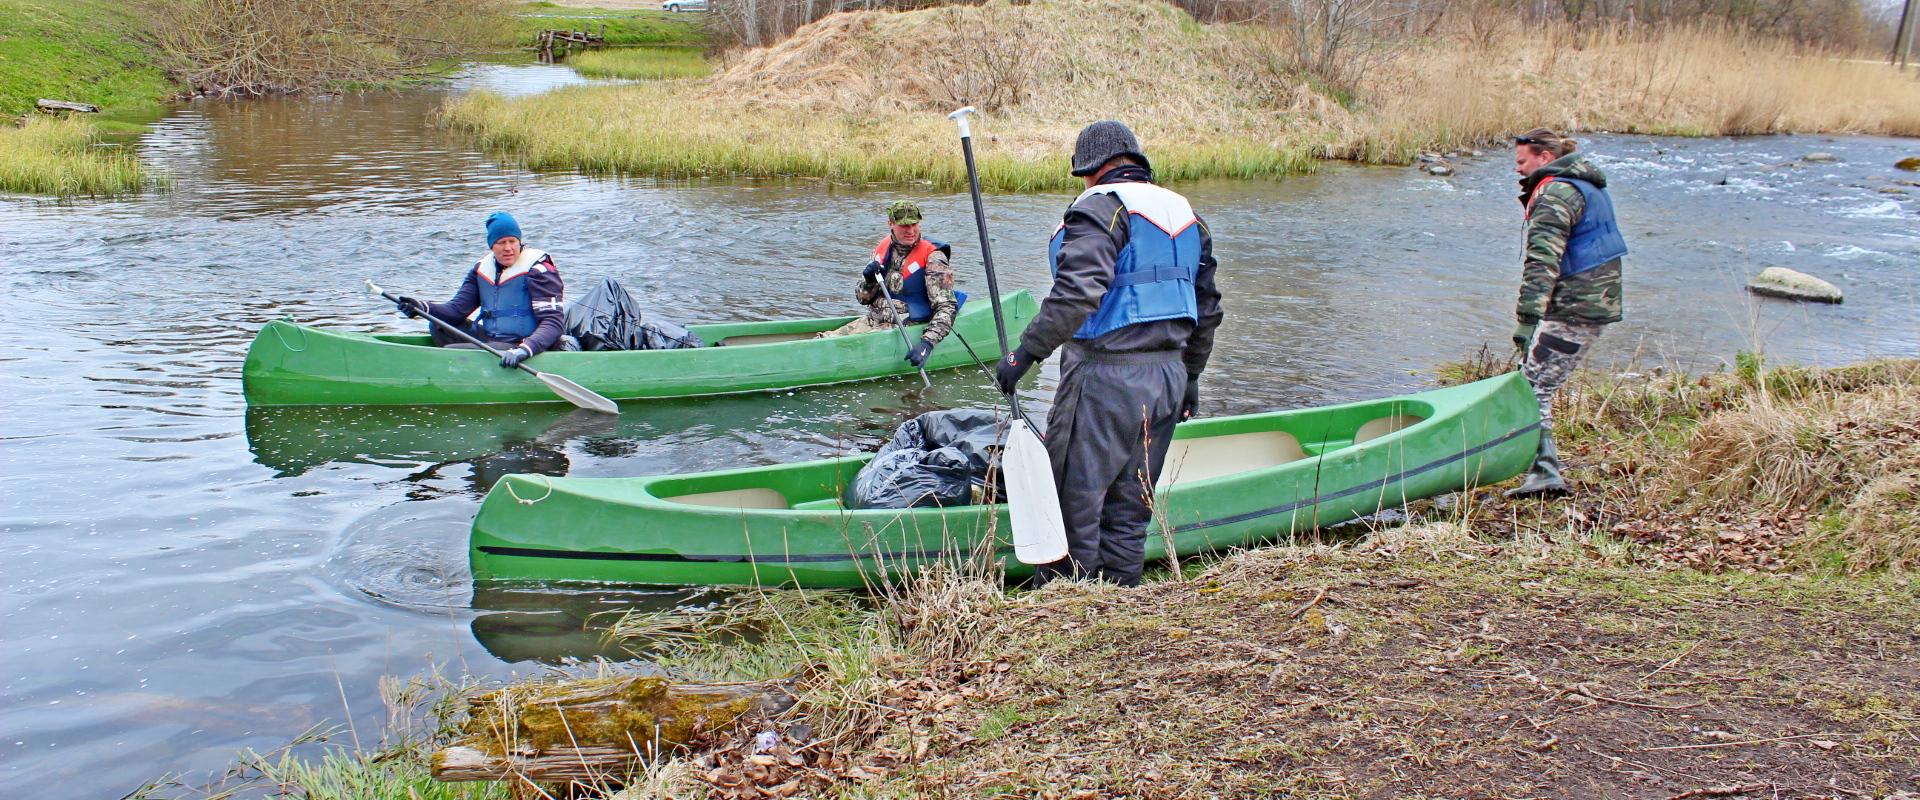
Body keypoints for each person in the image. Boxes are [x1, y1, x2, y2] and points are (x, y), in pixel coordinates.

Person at [994, 120, 1224, 587]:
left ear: (1091, 170)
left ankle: (1065, 611)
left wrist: (1025, 354)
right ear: (1136, 162)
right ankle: (1120, 611)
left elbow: (1077, 293)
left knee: (1071, 505)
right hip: (1167, 379)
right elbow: (1208, 307)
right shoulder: (1185, 215)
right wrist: (1192, 377)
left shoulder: (1101, 208)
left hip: (1104, 378)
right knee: (1130, 508)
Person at [1506, 127, 1627, 497]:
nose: (1518, 170)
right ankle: (1541, 468)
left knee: (1532, 390)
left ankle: (1545, 472)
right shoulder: (1585, 185)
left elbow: (1542, 262)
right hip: (1591, 304)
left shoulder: (1556, 194)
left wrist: (1527, 320)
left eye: (1522, 162)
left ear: (1544, 158)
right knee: (1536, 384)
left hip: (1576, 309)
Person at [394, 212, 565, 368]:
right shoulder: (481, 270)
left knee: (452, 350)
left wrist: (525, 349)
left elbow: (553, 323)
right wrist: (421, 307)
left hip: (522, 344)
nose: (508, 248)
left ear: (519, 242)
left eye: (512, 241)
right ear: (492, 246)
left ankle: (454, 367)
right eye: (501, 242)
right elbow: (455, 311)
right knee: (438, 325)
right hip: (493, 338)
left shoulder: (539, 271)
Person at [819, 200, 964, 369]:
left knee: (835, 348)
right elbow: (863, 299)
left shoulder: (933, 258)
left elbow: (947, 307)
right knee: (823, 339)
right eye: (904, 226)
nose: (910, 231)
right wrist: (869, 281)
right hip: (873, 320)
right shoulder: (883, 248)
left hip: (904, 328)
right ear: (891, 224)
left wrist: (927, 344)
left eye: (914, 224)